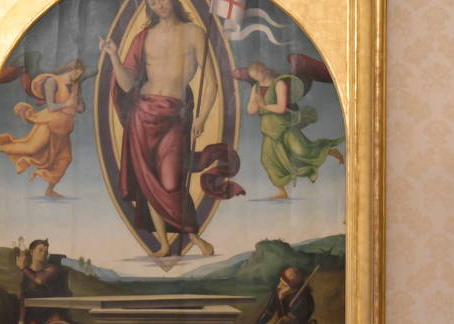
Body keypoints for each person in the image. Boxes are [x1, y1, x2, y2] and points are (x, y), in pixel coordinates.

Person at [100, 0, 244, 258]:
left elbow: (211, 83)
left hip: (174, 116)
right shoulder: (143, 37)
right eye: (152, 2)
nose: (159, 5)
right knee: (148, 183)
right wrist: (113, 55)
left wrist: (201, 118)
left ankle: (193, 236)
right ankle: (165, 244)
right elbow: (126, 84)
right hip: (142, 115)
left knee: (170, 181)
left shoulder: (194, 33)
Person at [244, 60, 343, 200]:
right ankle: (282, 192)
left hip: (284, 126)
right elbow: (251, 110)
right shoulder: (256, 88)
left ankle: (329, 150)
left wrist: (264, 106)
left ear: (263, 69)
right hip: (268, 128)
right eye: (254, 77)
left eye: (257, 74)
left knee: (302, 150)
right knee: (268, 160)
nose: (257, 78)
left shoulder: (279, 84)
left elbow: (281, 108)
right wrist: (255, 102)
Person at [0, 59, 86, 198]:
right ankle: (0, 148)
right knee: (31, 148)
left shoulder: (74, 86)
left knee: (65, 158)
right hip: (50, 122)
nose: (76, 77)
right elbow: (51, 107)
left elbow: (80, 107)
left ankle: (50, 190)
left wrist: (79, 105)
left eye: (78, 75)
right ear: (68, 70)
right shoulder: (52, 82)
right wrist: (68, 103)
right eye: (75, 73)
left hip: (64, 127)